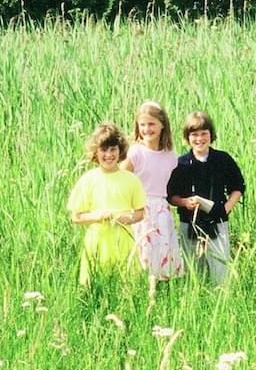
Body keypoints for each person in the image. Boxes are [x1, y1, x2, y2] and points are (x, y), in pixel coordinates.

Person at [167, 111, 245, 286]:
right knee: (193, 271)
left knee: (220, 270)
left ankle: (222, 297)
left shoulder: (222, 159)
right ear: (187, 138)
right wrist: (184, 202)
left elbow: (238, 186)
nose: (199, 139)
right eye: (194, 134)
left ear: (211, 135)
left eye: (204, 133)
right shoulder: (181, 164)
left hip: (217, 221)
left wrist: (227, 208)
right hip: (190, 223)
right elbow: (171, 195)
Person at [68, 122, 147, 286]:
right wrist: (96, 215)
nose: (109, 155)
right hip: (98, 242)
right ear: (95, 153)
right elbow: (76, 217)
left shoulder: (131, 180)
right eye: (104, 150)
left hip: (124, 241)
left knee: (126, 285)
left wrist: (130, 218)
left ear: (120, 151)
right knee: (95, 286)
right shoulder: (88, 180)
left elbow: (140, 213)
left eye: (113, 149)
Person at [120, 101, 185, 282]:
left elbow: (170, 185)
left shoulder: (170, 155)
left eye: (151, 124)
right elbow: (121, 181)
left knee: (164, 254)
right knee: (144, 253)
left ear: (162, 125)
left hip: (161, 209)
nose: (147, 129)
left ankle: (163, 289)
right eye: (143, 125)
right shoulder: (135, 153)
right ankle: (143, 287)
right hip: (141, 208)